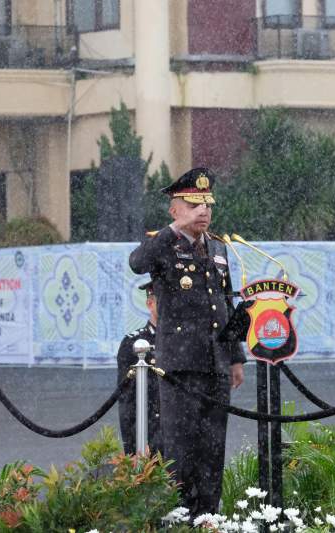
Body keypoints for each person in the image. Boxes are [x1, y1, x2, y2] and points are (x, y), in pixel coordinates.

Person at [129, 167, 246, 518]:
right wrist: (173, 232)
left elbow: (226, 303)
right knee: (180, 450)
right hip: (180, 366)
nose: (203, 211)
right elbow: (137, 263)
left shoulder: (219, 248)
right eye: (193, 204)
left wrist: (235, 357)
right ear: (174, 209)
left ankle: (208, 517)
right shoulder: (163, 244)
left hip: (215, 364)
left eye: (207, 203)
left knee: (213, 450)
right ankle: (179, 518)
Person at [116, 280, 163, 456]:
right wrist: (133, 447)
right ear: (150, 304)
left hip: (180, 430)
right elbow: (127, 401)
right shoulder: (133, 343)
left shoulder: (185, 342)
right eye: (163, 301)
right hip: (151, 432)